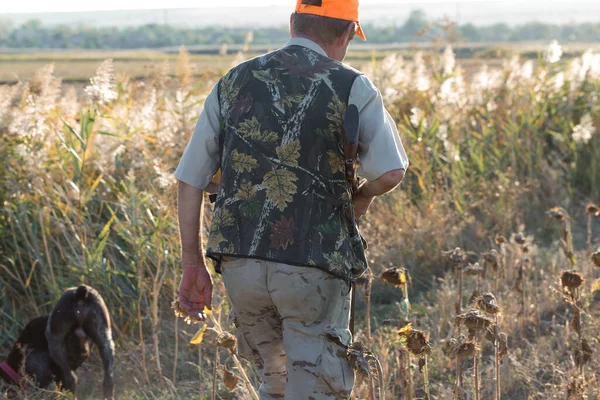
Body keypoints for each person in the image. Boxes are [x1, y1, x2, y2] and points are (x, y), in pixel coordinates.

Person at [174, 0, 408, 398]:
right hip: (312, 264)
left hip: (240, 264)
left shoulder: (233, 81)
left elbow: (189, 181)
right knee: (317, 388)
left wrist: (192, 263)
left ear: (292, 22)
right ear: (347, 32)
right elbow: (390, 172)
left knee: (275, 381)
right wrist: (361, 198)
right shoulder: (353, 85)